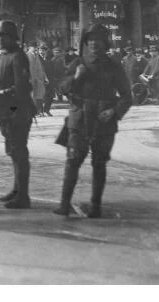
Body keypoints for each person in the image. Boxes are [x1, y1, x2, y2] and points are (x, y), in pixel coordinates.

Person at [54, 24, 132, 218]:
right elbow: (62, 88)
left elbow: (127, 97)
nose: (94, 43)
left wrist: (113, 111)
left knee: (99, 163)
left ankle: (95, 206)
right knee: (72, 161)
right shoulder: (77, 63)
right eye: (90, 39)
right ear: (85, 42)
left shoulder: (114, 66)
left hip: (103, 121)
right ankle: (64, 204)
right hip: (79, 120)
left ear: (105, 43)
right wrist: (76, 77)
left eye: (98, 39)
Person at [0, 20, 35, 209]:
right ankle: (17, 189)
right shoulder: (0, 57)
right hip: (4, 111)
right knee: (13, 151)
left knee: (19, 152)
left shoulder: (18, 57)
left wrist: (3, 93)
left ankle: (23, 196)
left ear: (12, 37)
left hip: (17, 111)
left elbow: (22, 87)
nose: (0, 40)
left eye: (4, 36)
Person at [27, 43, 48, 117]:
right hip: (30, 79)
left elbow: (41, 68)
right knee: (32, 96)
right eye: (33, 47)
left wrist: (45, 77)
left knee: (39, 96)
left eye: (35, 47)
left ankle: (39, 112)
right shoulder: (26, 56)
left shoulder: (36, 56)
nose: (35, 48)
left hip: (39, 79)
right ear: (29, 47)